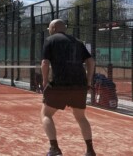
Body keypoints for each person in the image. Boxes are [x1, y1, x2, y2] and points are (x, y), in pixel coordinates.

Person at [40, 19, 96, 156]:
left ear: (53, 28)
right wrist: (88, 81)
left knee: (46, 114)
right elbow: (91, 61)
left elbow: (45, 63)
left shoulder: (50, 40)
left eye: (49, 27)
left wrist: (45, 82)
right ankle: (90, 150)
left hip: (59, 85)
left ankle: (54, 149)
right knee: (81, 117)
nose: (48, 30)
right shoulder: (78, 42)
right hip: (79, 85)